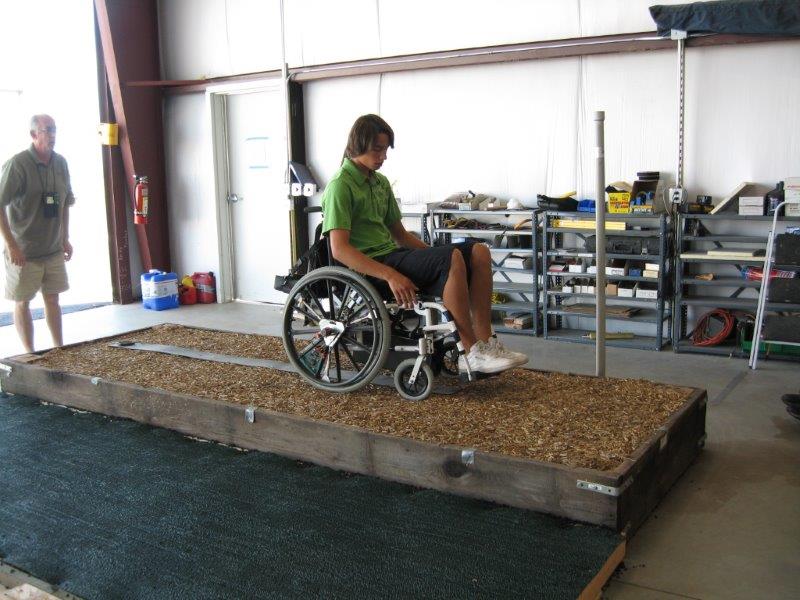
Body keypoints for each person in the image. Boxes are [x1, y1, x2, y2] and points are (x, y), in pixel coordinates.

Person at [321, 114, 528, 375]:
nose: (383, 156)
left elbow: (400, 235)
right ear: (358, 144)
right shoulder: (340, 185)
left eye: (385, 149)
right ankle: (470, 353)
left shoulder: (380, 183)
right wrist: (391, 275)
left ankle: (487, 344)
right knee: (450, 257)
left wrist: (437, 255)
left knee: (478, 252)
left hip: (395, 255)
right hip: (372, 268)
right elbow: (339, 249)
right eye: (377, 149)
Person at [0, 114, 74, 353]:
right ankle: (30, 355)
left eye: (54, 130)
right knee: (23, 302)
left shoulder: (61, 163)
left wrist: (65, 238)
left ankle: (59, 349)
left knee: (53, 298)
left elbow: (64, 204)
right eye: (46, 130)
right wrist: (11, 245)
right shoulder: (18, 165)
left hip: (52, 249)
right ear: (33, 134)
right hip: (24, 251)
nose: (52, 135)